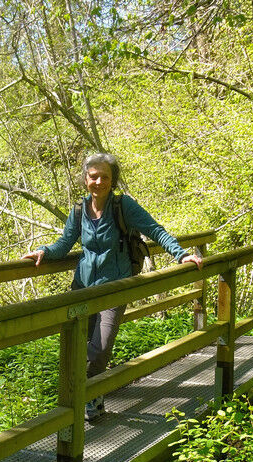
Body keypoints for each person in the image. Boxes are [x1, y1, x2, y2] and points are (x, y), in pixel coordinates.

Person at [24, 152, 203, 421]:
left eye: (104, 177)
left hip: (114, 288)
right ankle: (90, 400)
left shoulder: (123, 206)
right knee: (78, 346)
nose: (98, 182)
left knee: (100, 347)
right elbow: (64, 244)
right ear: (85, 179)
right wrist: (43, 251)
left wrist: (181, 254)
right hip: (82, 288)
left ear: (112, 180)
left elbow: (155, 230)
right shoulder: (79, 209)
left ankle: (87, 396)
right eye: (93, 176)